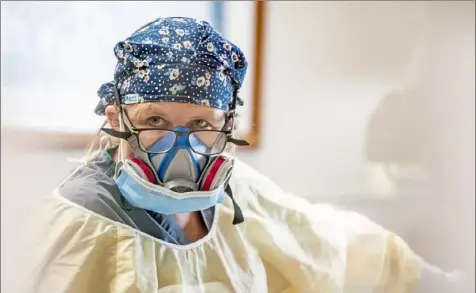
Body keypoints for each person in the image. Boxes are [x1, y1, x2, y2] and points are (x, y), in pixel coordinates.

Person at [21, 17, 462, 293]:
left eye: (201, 125)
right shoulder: (80, 223)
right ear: (116, 117)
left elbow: (332, 246)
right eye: (154, 121)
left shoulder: (236, 196)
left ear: (227, 125)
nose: (181, 148)